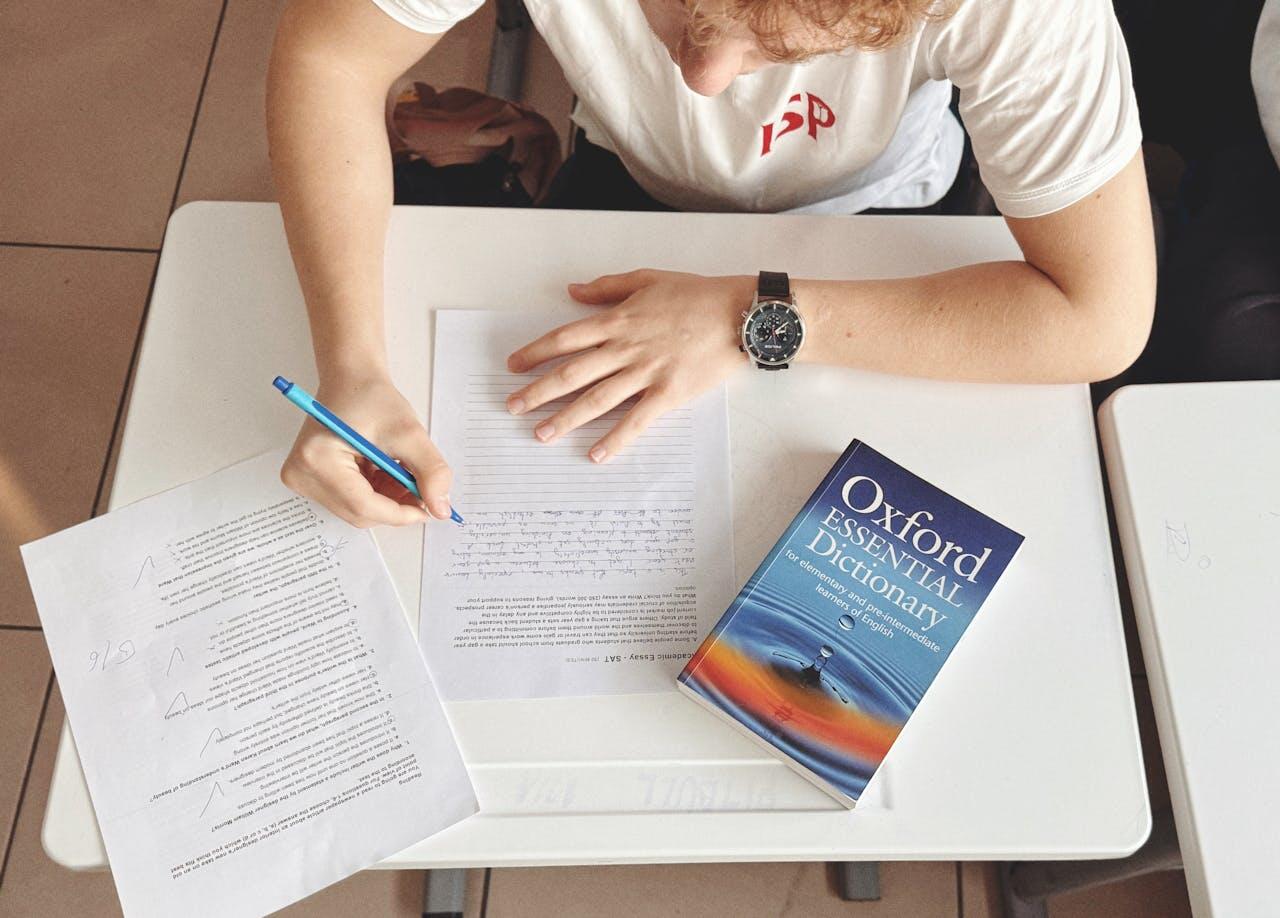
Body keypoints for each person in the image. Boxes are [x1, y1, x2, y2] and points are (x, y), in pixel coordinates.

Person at [267, 0, 1156, 528]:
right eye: (680, 9)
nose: (704, 83)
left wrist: (750, 318)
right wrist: (350, 365)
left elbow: (1102, 316)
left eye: (782, 42)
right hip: (628, 174)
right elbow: (327, 54)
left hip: (886, 209)